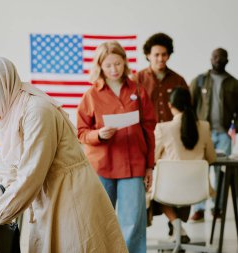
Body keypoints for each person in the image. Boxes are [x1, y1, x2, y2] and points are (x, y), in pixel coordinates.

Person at [0, 57, 128, 253]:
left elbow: (31, 174)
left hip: (71, 200)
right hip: (50, 200)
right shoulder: (11, 114)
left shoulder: (37, 111)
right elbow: (12, 176)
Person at [77, 41, 156, 253]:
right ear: (100, 66)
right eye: (109, 65)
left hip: (133, 166)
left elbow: (149, 130)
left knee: (133, 224)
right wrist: (99, 135)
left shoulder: (138, 91)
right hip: (102, 166)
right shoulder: (91, 95)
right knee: (101, 221)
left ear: (125, 63)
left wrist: (150, 166)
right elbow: (80, 132)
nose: (114, 69)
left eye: (118, 64)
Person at [154, 87, 217, 242]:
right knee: (182, 188)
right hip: (196, 189)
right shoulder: (204, 126)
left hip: (168, 189)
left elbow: (153, 158)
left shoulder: (163, 128)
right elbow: (212, 158)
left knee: (152, 190)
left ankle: (175, 225)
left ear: (170, 105)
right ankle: (178, 229)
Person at [189, 48, 238, 222]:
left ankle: (218, 208)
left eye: (222, 57)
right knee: (201, 170)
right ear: (211, 59)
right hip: (202, 134)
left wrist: (235, 128)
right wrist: (192, 128)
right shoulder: (200, 80)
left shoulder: (234, 83)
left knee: (221, 172)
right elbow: (189, 106)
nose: (218, 59)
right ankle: (199, 208)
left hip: (224, 134)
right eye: (215, 56)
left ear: (227, 60)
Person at [135, 32, 188, 123]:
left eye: (164, 54)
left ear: (168, 55)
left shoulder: (178, 80)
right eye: (156, 55)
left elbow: (186, 108)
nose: (160, 59)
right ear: (148, 55)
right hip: (149, 133)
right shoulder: (138, 78)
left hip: (172, 132)